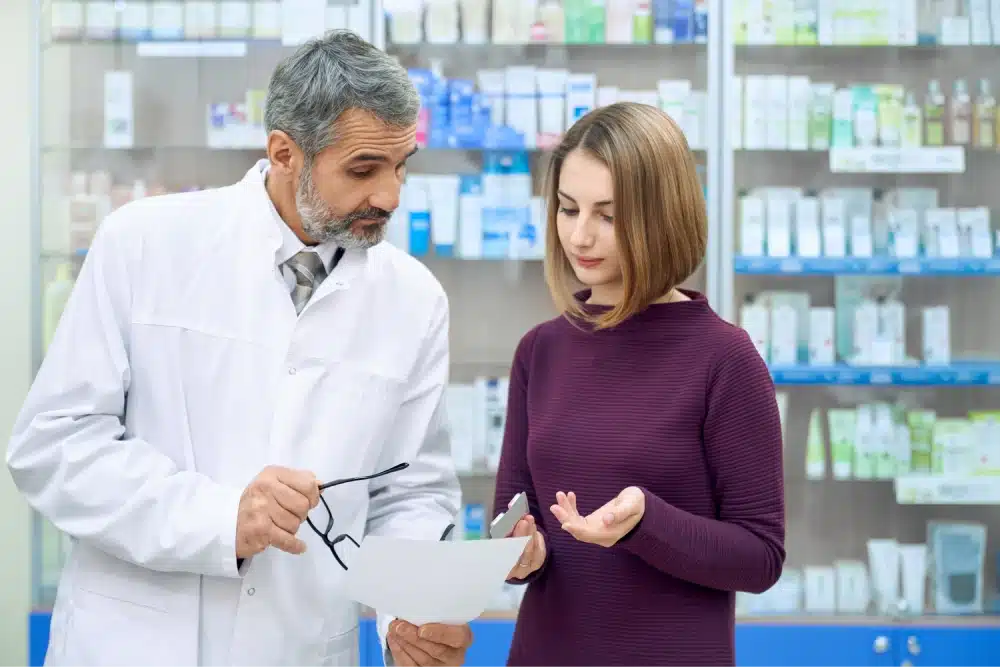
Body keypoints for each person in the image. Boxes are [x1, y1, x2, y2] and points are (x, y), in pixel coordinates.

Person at [7, 30, 473, 667]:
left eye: (400, 167)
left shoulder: (414, 300)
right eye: (364, 170)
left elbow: (409, 492)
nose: (389, 196)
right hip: (134, 643)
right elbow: (52, 444)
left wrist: (407, 610)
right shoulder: (143, 244)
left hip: (299, 644)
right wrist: (219, 519)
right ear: (285, 153)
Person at [493, 102, 786, 667]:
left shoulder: (724, 359)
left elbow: (761, 557)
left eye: (608, 214)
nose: (580, 234)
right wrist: (517, 553)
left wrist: (646, 522)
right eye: (567, 208)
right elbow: (510, 518)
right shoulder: (539, 351)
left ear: (662, 215)